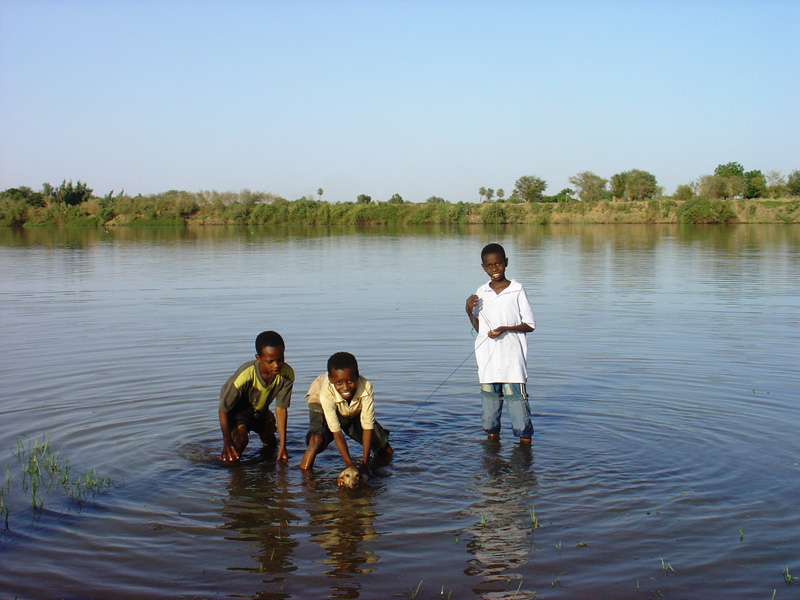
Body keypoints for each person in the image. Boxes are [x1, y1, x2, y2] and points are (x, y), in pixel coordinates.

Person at [465, 243, 535, 443]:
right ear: (483, 267)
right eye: (489, 265)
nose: (495, 269)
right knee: (490, 417)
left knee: (519, 416)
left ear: (506, 262)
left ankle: (524, 457)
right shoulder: (481, 292)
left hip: (512, 362)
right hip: (488, 361)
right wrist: (469, 311)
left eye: (498, 264)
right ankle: (492, 451)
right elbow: (479, 328)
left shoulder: (517, 290)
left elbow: (529, 325)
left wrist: (506, 328)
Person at [299, 351, 392, 474]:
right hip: (321, 402)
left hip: (351, 408)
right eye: (339, 383)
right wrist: (349, 465)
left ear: (357, 376)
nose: (346, 387)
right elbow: (336, 432)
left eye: (350, 381)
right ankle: (305, 477)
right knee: (317, 441)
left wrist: (365, 465)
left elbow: (367, 427)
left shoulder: (366, 387)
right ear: (331, 380)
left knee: (386, 450)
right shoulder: (325, 393)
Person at [218, 331, 294, 463]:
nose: (276, 365)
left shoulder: (286, 374)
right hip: (238, 410)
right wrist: (227, 440)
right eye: (270, 361)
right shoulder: (246, 375)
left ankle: (266, 471)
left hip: (260, 410)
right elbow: (224, 408)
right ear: (258, 358)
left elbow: (281, 408)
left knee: (271, 445)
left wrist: (283, 445)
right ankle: (234, 475)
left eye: (280, 359)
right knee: (240, 442)